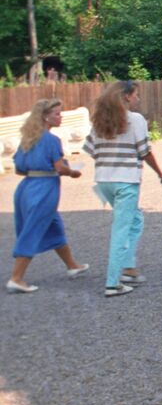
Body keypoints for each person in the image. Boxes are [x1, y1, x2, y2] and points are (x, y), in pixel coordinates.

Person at [84, 80, 162, 298]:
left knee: (135, 219)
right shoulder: (135, 120)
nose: (137, 99)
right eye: (135, 95)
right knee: (121, 229)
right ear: (126, 97)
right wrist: (160, 173)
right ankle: (114, 282)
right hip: (126, 181)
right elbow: (144, 151)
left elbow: (91, 149)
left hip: (104, 180)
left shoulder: (100, 121)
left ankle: (129, 267)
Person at [7, 99, 89, 292]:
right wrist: (72, 172)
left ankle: (72, 266)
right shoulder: (52, 140)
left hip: (26, 187)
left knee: (54, 226)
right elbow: (59, 168)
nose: (60, 117)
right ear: (45, 117)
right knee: (33, 229)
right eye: (57, 114)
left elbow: (19, 168)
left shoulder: (27, 139)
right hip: (44, 188)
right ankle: (16, 278)